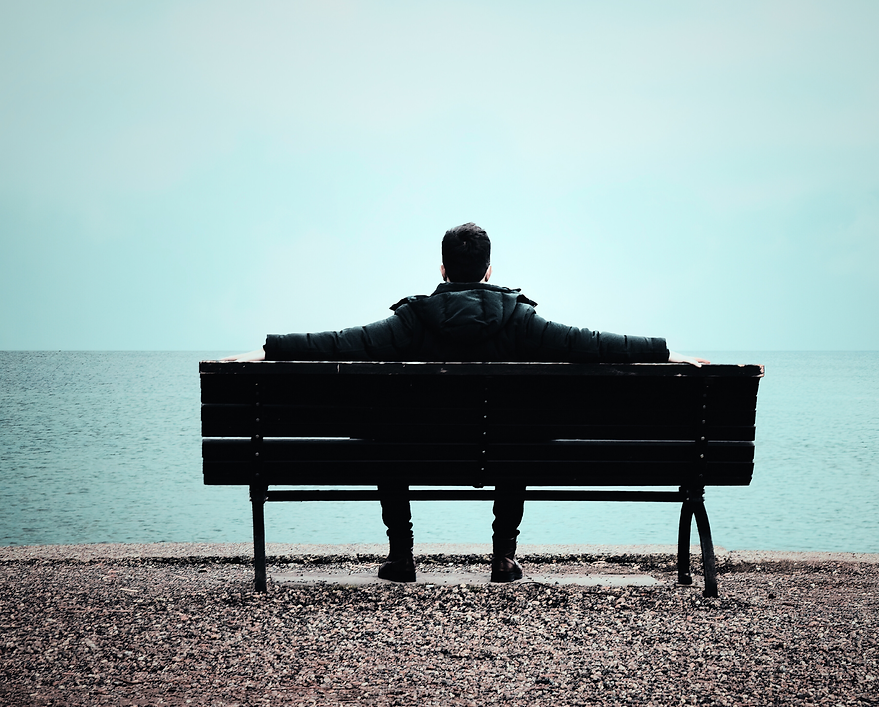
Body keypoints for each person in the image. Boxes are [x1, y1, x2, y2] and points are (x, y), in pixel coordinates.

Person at [222, 222, 708, 584]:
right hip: (499, 452)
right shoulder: (520, 320)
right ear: (488, 271)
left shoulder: (412, 321)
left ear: (443, 270)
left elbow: (343, 343)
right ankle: (503, 555)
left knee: (384, 437)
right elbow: (594, 343)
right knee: (519, 434)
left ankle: (402, 555)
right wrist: (667, 353)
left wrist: (269, 348)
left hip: (415, 452)